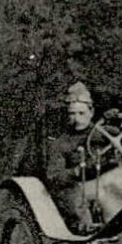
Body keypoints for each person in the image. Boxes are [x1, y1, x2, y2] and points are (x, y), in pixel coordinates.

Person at [43, 81, 97, 231]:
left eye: (82, 113)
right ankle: (86, 227)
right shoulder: (60, 143)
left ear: (91, 112)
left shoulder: (104, 133)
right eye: (72, 114)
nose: (77, 119)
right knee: (74, 193)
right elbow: (54, 176)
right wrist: (75, 172)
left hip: (106, 183)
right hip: (77, 188)